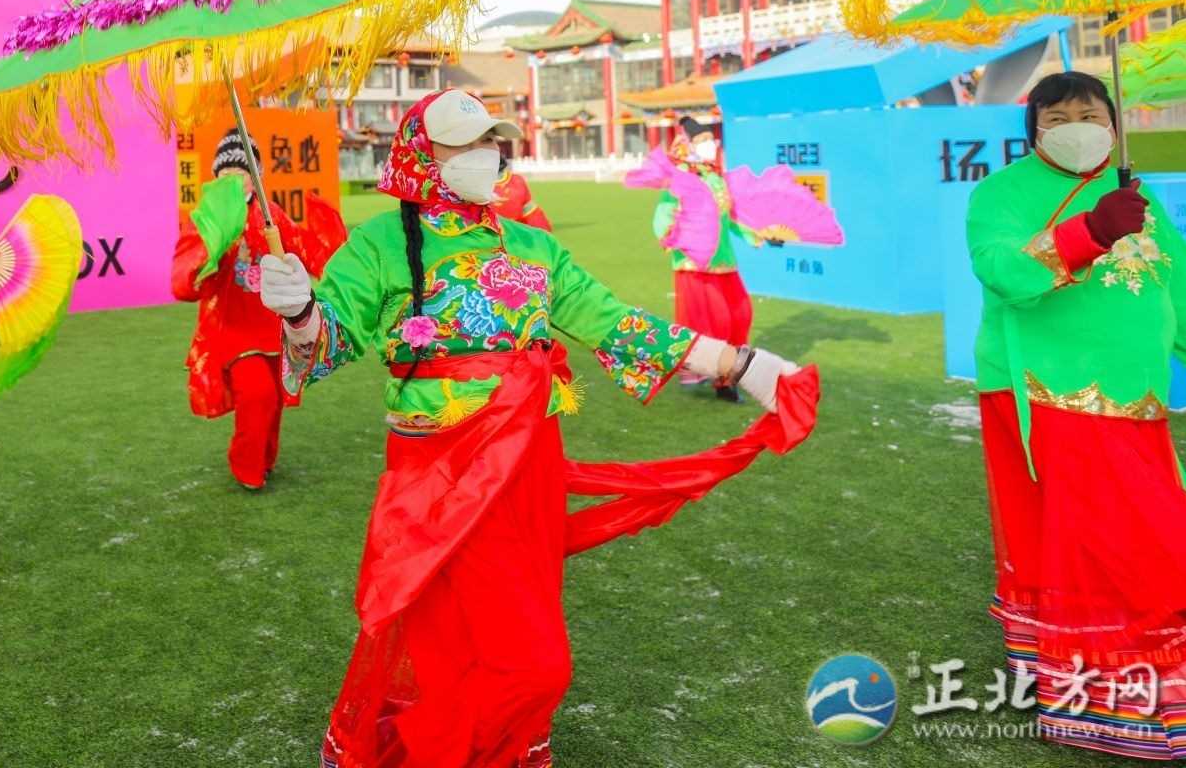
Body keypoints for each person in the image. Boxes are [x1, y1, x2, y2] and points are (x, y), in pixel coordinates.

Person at [257, 89, 802, 767]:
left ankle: (476, 744)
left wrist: (741, 363)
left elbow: (615, 322)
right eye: (466, 143)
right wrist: (301, 314)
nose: (486, 154)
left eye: (492, 140)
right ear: (421, 154)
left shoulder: (533, 247)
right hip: (440, 473)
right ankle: (442, 745)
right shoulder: (380, 244)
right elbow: (329, 342)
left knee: (512, 633)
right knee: (495, 650)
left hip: (528, 465)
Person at [969, 70, 1186, 759]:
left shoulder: (1133, 194)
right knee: (1124, 539)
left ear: (1114, 124)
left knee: (1116, 534)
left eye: (1089, 115)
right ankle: (1114, 694)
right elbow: (1001, 270)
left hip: (1138, 394)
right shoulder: (1000, 193)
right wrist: (1087, 231)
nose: (1077, 129)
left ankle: (1088, 675)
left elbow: (1174, 283)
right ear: (1032, 130)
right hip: (1047, 391)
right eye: (1057, 119)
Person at [173, 129, 346, 489]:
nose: (235, 180)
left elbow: (307, 253)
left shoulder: (271, 216)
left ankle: (265, 461)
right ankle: (246, 466)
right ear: (215, 177)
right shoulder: (207, 220)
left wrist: (326, 232)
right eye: (227, 173)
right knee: (257, 394)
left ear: (257, 177)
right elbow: (184, 282)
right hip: (234, 331)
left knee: (275, 397)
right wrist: (212, 250)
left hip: (274, 328)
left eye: (243, 172)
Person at [656, 117, 753, 401]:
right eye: (704, 141)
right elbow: (664, 216)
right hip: (696, 265)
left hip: (724, 261)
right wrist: (674, 237)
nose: (711, 145)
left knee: (741, 315)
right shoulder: (680, 179)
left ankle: (727, 375)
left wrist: (758, 234)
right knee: (717, 321)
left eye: (712, 140)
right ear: (689, 146)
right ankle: (718, 378)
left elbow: (731, 218)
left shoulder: (716, 178)